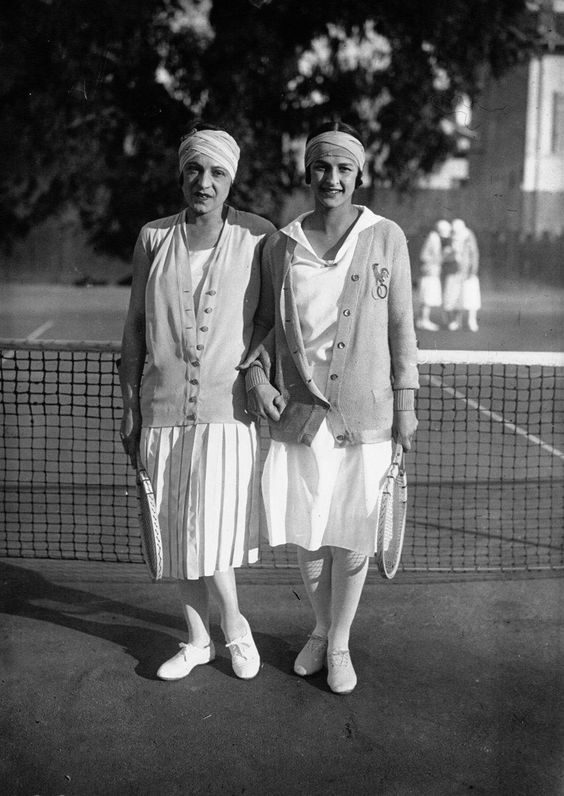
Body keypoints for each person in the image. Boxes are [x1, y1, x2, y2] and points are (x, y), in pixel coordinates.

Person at [241, 121, 419, 694]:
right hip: (299, 414)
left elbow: (402, 328)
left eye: (344, 168)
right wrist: (257, 375)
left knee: (354, 533)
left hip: (367, 414)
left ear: (359, 175)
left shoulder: (386, 236)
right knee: (309, 534)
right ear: (308, 172)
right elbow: (266, 325)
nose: (332, 178)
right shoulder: (280, 244)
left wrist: (407, 403)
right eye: (322, 167)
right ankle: (318, 630)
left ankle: (339, 641)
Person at [119, 123, 275, 682]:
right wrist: (131, 405)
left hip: (226, 414)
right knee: (175, 532)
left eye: (216, 173)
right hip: (160, 411)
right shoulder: (153, 238)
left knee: (209, 531)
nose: (203, 182)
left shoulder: (259, 236)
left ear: (231, 179)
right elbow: (135, 326)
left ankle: (234, 628)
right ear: (181, 174)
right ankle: (198, 639)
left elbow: (272, 321)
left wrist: (256, 373)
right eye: (194, 170)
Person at [443, 218, 481, 331]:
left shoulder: (468, 236)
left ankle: (472, 320)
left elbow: (474, 254)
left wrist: (473, 270)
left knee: (471, 297)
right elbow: (446, 256)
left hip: (468, 273)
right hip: (455, 272)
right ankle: (456, 321)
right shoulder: (451, 238)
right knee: (455, 297)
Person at [416, 219, 452, 331]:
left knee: (427, 297)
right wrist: (445, 254)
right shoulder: (434, 239)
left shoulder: (434, 238)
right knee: (427, 297)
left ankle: (422, 320)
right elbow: (426, 256)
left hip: (431, 271)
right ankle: (424, 320)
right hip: (430, 272)